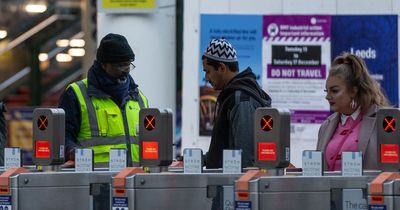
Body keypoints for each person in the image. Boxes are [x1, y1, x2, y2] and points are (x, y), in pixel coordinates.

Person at [59, 33, 148, 167]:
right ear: (103, 65)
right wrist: (72, 151)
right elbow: (62, 136)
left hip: (134, 181)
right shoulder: (77, 94)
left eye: (128, 65)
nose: (126, 70)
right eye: (120, 65)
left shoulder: (139, 97)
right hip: (94, 181)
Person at [202, 38, 272, 169]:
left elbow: (245, 158)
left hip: (234, 185)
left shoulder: (241, 100)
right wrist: (204, 159)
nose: (206, 78)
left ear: (222, 67)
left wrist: (241, 188)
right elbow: (227, 148)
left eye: (208, 71)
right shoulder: (232, 96)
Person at [316, 53, 389, 171]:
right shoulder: (326, 126)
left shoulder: (382, 121)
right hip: (330, 189)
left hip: (369, 189)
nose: (328, 97)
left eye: (334, 91)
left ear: (353, 91)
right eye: (326, 91)